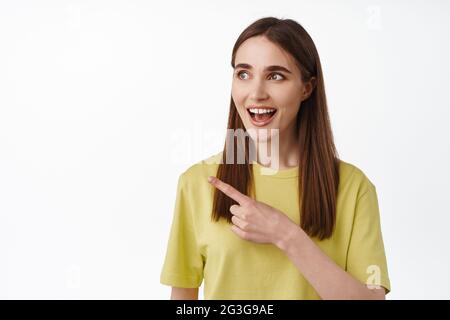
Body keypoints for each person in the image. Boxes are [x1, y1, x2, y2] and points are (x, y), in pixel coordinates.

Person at [160, 17, 391, 300]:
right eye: (243, 74)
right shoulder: (197, 183)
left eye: (276, 76)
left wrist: (286, 235)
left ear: (307, 88)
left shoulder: (353, 188)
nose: (256, 93)